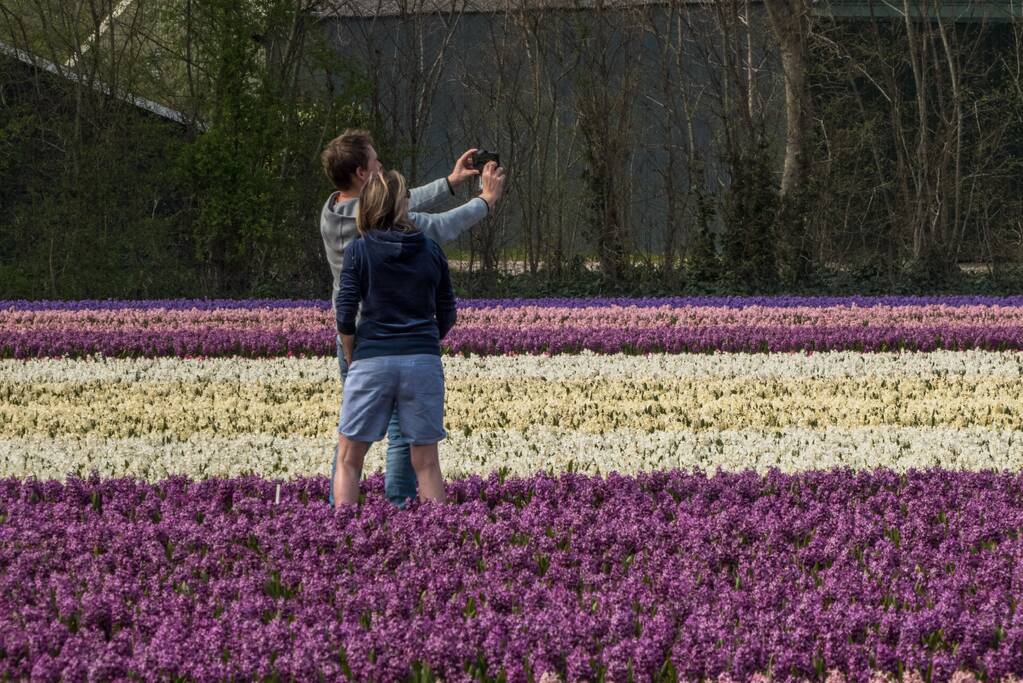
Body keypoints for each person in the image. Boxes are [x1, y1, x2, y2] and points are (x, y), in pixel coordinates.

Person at [319, 129, 506, 506]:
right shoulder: (404, 234)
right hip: (394, 342)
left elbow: (396, 198)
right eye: (377, 163)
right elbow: (438, 225)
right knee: (405, 435)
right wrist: (485, 200)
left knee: (350, 442)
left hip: (354, 341)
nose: (381, 167)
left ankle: (340, 518)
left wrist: (449, 183)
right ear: (362, 174)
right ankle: (401, 506)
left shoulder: (333, 212)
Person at [332, 170, 461, 506]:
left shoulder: (359, 250)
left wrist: (351, 354)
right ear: (402, 207)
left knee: (349, 458)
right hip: (422, 361)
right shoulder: (432, 250)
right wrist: (426, 343)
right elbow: (447, 312)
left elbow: (345, 313)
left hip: (371, 360)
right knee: (427, 462)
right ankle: (438, 542)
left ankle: (341, 538)